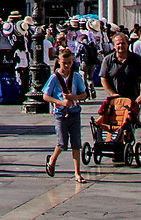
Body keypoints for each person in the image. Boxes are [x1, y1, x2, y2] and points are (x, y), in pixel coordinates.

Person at [41, 47, 89, 187]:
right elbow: (45, 96)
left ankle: (77, 172)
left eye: (69, 63)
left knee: (76, 143)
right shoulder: (54, 78)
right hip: (60, 114)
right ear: (58, 62)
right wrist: (60, 102)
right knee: (62, 143)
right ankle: (52, 160)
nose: (67, 66)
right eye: (64, 63)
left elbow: (84, 94)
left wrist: (74, 97)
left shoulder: (76, 77)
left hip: (74, 112)